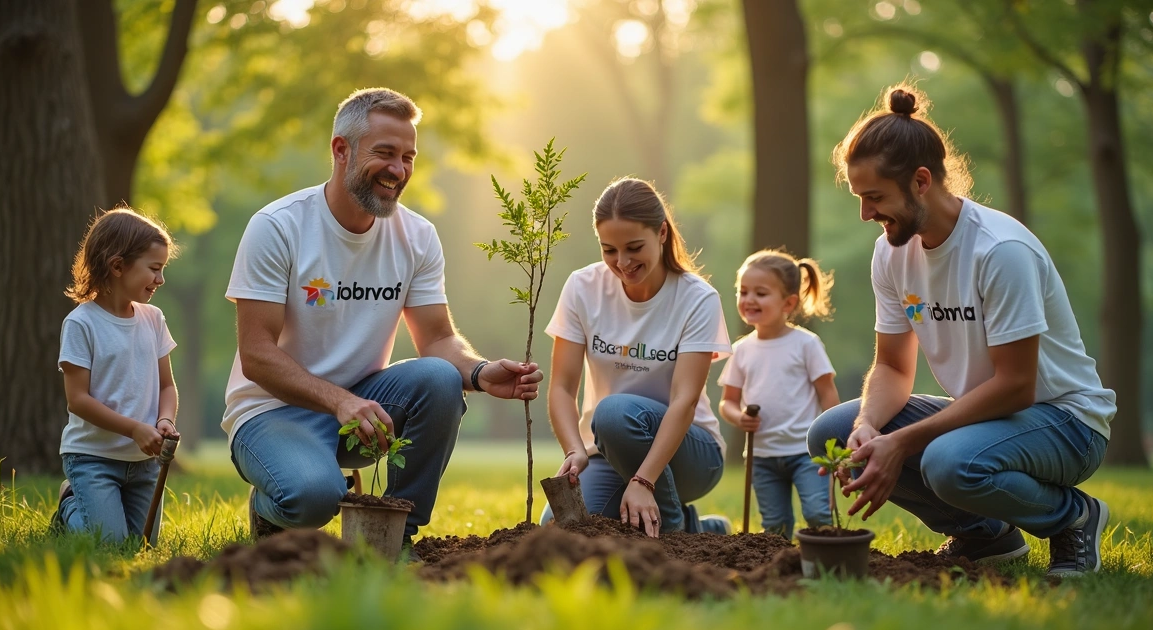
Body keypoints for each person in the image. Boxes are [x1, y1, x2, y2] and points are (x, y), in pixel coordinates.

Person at [810, 84, 1116, 578]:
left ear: (922, 181)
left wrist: (903, 443)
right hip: (989, 420)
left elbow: (1017, 385)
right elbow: (891, 365)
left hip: (1065, 422)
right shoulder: (891, 252)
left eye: (875, 197)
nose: (866, 214)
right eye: (859, 198)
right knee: (834, 431)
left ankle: (1073, 518)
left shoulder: (998, 251)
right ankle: (987, 534)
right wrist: (868, 425)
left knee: (947, 462)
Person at [223, 87, 542, 543]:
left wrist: (481, 372)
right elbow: (256, 356)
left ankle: (394, 538)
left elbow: (436, 340)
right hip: (272, 411)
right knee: (314, 498)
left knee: (439, 377)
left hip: (364, 410)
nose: (399, 170)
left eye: (409, 157)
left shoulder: (417, 235)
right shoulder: (278, 227)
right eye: (386, 153)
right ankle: (271, 506)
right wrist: (339, 401)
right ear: (341, 149)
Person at [543, 177, 732, 538]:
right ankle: (699, 528)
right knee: (564, 526)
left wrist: (644, 480)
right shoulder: (582, 288)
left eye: (633, 247)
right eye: (609, 250)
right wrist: (575, 450)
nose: (622, 262)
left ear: (662, 233)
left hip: (689, 452)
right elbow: (563, 388)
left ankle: (674, 536)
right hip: (608, 449)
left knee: (614, 413)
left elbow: (685, 400)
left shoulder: (697, 299)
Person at [52, 208, 180, 544]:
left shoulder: (153, 319)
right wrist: (134, 428)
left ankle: (100, 513)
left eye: (162, 269)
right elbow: (77, 400)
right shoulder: (83, 323)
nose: (161, 279)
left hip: (143, 462)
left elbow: (167, 385)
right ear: (118, 266)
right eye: (154, 269)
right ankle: (70, 507)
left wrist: (164, 419)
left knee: (142, 546)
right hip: (94, 458)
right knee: (110, 546)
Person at [718, 249, 840, 538]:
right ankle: (780, 572)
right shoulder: (741, 350)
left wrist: (833, 443)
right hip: (762, 456)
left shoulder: (806, 344)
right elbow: (728, 402)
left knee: (817, 514)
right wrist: (739, 418)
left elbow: (828, 396)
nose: (749, 300)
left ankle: (827, 562)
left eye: (760, 293)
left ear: (789, 302)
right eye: (743, 291)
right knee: (774, 525)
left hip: (806, 452)